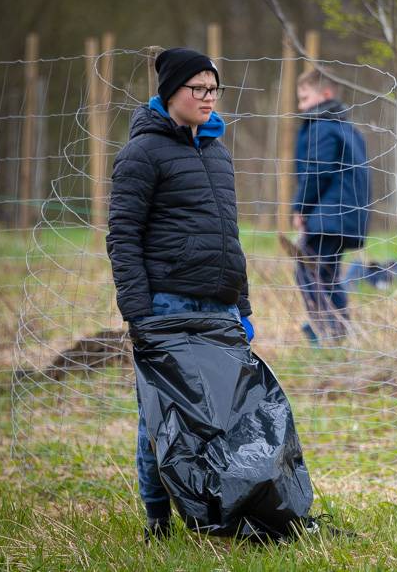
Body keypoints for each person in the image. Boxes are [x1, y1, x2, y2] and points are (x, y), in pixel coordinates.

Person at [106, 47, 254, 539]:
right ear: (171, 92)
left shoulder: (218, 152)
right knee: (162, 416)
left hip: (220, 305)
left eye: (214, 89)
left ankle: (214, 510)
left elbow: (227, 235)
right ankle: (157, 515)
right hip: (167, 306)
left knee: (222, 415)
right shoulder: (141, 154)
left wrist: (243, 305)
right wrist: (139, 313)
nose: (209, 98)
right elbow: (122, 237)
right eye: (199, 89)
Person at [292, 70, 370, 346]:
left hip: (328, 217)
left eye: (304, 98)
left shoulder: (321, 126)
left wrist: (300, 208)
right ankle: (337, 331)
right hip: (344, 218)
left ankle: (324, 330)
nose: (301, 106)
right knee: (327, 274)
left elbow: (316, 171)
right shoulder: (347, 129)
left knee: (309, 271)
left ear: (326, 95)